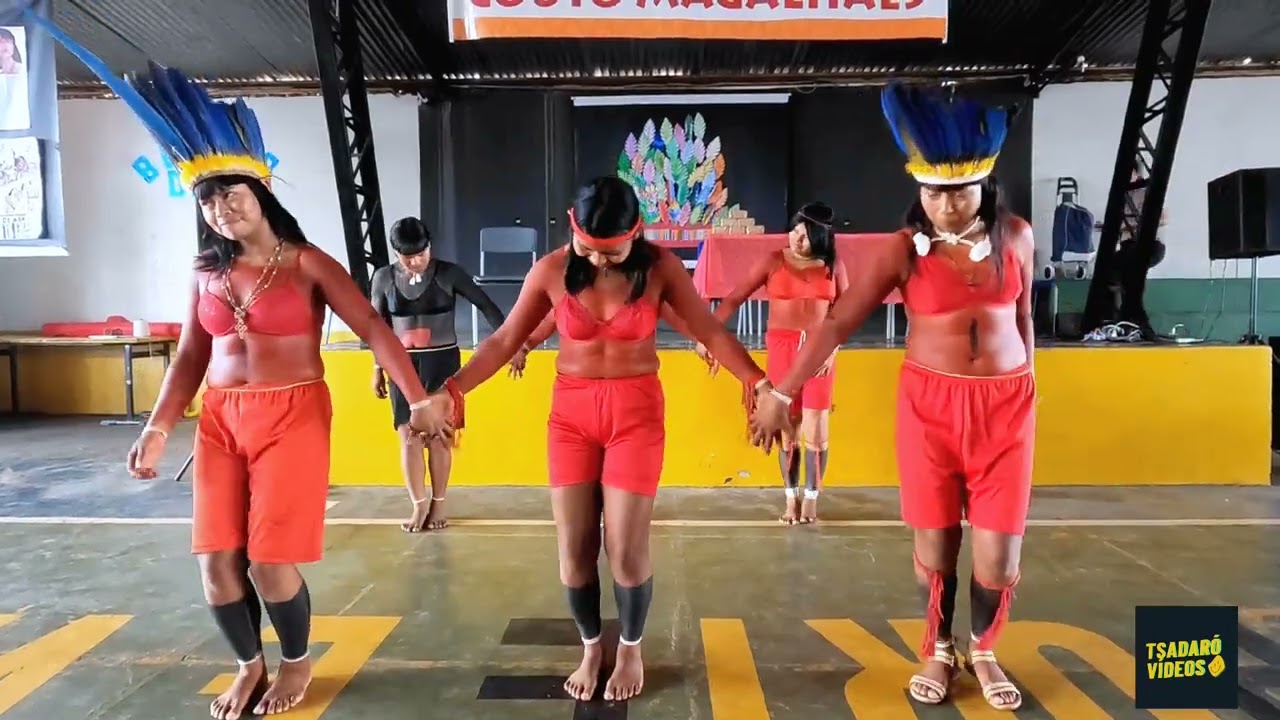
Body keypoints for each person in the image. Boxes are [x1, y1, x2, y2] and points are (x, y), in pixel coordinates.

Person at [37, 25, 441, 719]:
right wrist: (160, 427)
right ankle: (248, 666)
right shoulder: (205, 274)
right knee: (216, 562)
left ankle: (294, 662)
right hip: (223, 419)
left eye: (231, 194)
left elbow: (374, 328)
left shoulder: (309, 263)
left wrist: (418, 398)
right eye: (207, 200)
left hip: (294, 413)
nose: (221, 209)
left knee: (267, 560)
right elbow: (193, 355)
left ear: (258, 188)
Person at [414, 176, 773, 703]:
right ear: (572, 226)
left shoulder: (660, 269)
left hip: (636, 416)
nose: (601, 262)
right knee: (575, 552)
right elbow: (505, 338)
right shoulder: (552, 271)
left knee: (625, 552)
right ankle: (590, 645)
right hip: (572, 419)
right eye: (590, 249)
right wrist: (452, 388)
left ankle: (628, 646)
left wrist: (759, 383)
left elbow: (711, 332)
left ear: (638, 231)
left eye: (614, 251)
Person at [750, 83, 1034, 712]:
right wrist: (783, 391)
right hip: (930, 411)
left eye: (959, 191)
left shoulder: (1016, 237)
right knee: (936, 547)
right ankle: (937, 646)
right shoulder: (902, 250)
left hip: (1006, 411)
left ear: (984, 183)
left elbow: (1023, 316)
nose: (945, 204)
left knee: (1000, 556)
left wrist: (1029, 386)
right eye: (932, 191)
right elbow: (835, 323)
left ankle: (983, 648)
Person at [695, 202, 847, 524]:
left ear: (820, 237)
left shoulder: (834, 266)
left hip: (819, 352)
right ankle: (790, 498)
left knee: (817, 432)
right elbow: (735, 297)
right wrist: (708, 334)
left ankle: (811, 500)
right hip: (782, 349)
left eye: (804, 236)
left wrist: (833, 349)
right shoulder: (773, 260)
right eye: (794, 231)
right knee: (786, 428)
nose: (796, 239)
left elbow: (845, 313)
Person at [370, 216, 508, 532]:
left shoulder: (448, 273)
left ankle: (439, 503)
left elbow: (487, 306)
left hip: (442, 362)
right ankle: (417, 504)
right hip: (402, 365)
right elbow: (377, 329)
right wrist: (377, 369)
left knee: (439, 437)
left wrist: (511, 342)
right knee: (409, 436)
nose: (416, 261)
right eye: (408, 257)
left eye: (421, 253)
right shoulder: (383, 279)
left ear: (429, 246)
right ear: (396, 254)